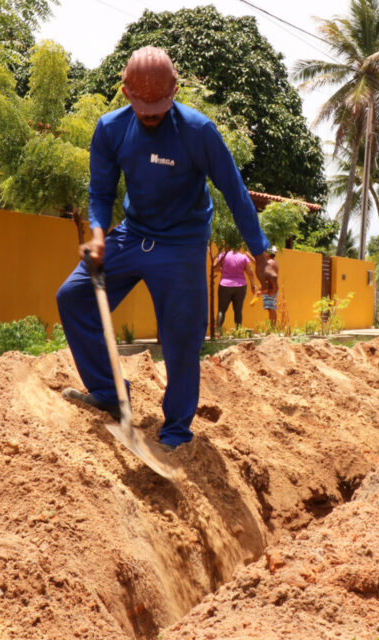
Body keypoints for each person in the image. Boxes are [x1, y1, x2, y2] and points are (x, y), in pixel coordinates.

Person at [55, 46, 276, 452]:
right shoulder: (110, 129)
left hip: (182, 244)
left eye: (159, 105)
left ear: (175, 92)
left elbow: (235, 191)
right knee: (73, 296)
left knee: (180, 338)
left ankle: (175, 430)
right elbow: (100, 191)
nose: (151, 113)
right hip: (133, 234)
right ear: (126, 94)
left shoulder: (197, 131)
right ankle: (107, 392)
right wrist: (100, 234)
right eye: (143, 106)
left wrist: (262, 256)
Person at [215, 245, 257, 335]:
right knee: (238, 310)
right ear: (239, 246)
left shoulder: (223, 255)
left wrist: (224, 270)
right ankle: (238, 332)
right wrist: (253, 285)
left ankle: (217, 331)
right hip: (240, 286)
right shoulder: (243, 257)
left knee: (221, 310)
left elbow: (216, 268)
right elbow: (250, 273)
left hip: (224, 285)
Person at [259, 246, 280, 327]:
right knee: (270, 308)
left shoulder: (270, 262)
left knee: (271, 308)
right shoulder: (272, 262)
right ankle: (272, 328)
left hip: (271, 287)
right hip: (271, 287)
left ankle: (272, 328)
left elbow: (268, 276)